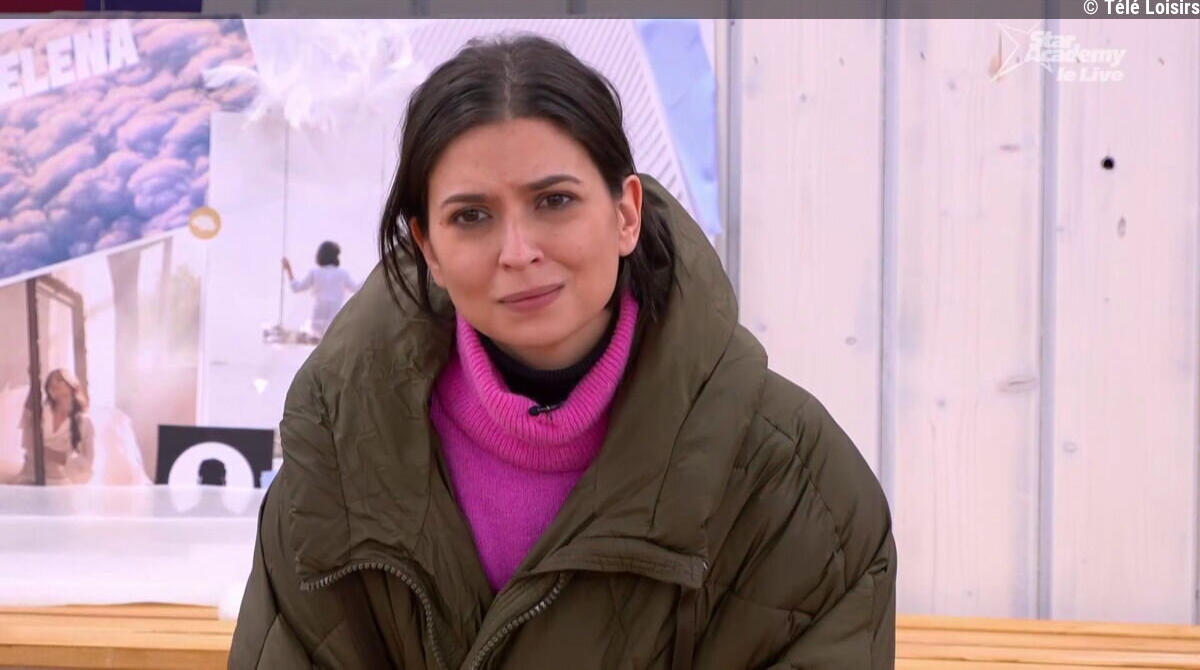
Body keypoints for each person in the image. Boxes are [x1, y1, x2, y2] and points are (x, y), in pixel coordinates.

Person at [231, 35, 895, 669]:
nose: (518, 251)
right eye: (471, 216)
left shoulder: (795, 482)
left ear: (626, 213)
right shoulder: (338, 458)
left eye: (554, 201)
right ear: (428, 247)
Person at [15, 369, 94, 485]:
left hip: (60, 482)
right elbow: (28, 442)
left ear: (73, 386)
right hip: (30, 477)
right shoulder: (39, 412)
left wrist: (60, 458)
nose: (54, 384)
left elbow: (87, 463)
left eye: (59, 380)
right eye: (50, 382)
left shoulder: (84, 422)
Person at [282, 241, 360, 338]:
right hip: (335, 318)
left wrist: (288, 268)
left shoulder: (315, 273)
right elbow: (356, 289)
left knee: (316, 336)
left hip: (318, 318)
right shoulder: (343, 274)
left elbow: (296, 288)